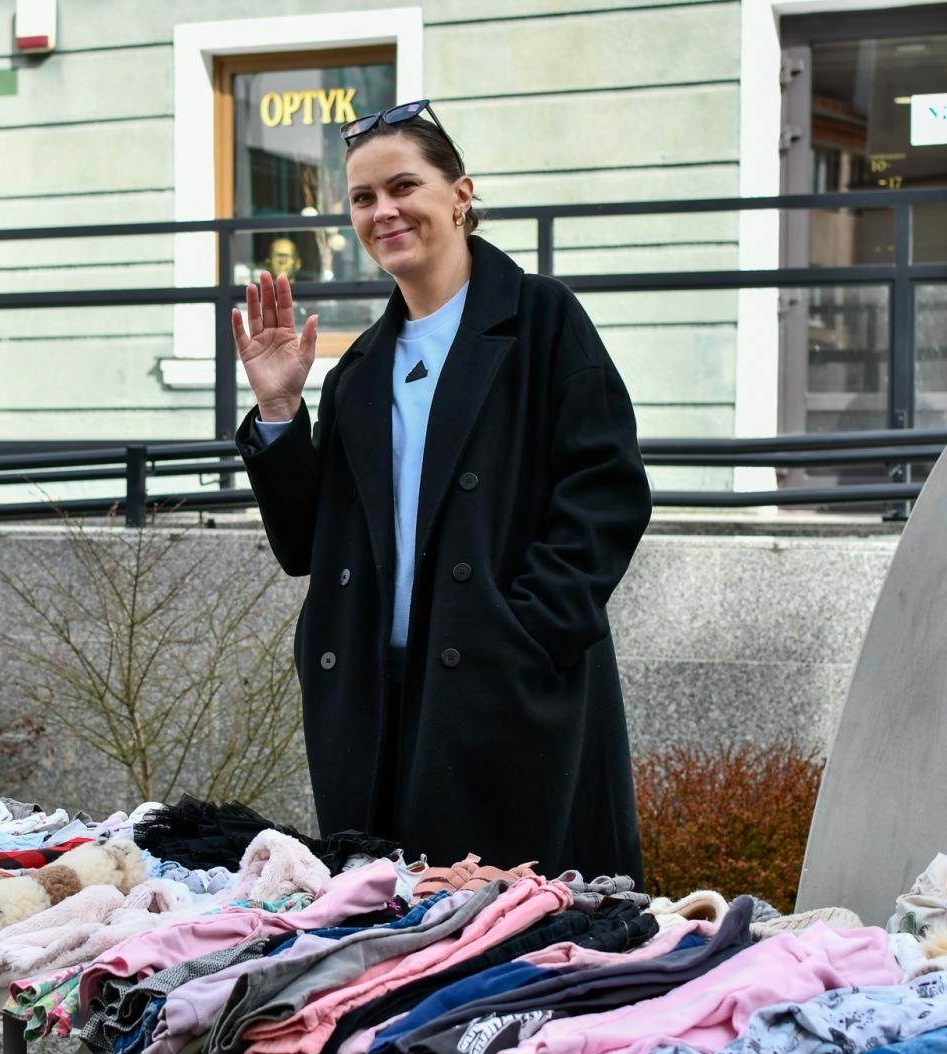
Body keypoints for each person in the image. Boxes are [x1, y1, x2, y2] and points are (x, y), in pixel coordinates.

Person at [232, 100, 651, 881]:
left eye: (403, 186)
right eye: (362, 198)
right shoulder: (360, 368)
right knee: (394, 943)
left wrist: (522, 637)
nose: (382, 211)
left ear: (460, 194)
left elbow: (607, 496)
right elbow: (304, 546)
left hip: (504, 694)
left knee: (517, 942)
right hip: (374, 709)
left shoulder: (543, 322)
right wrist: (282, 409)